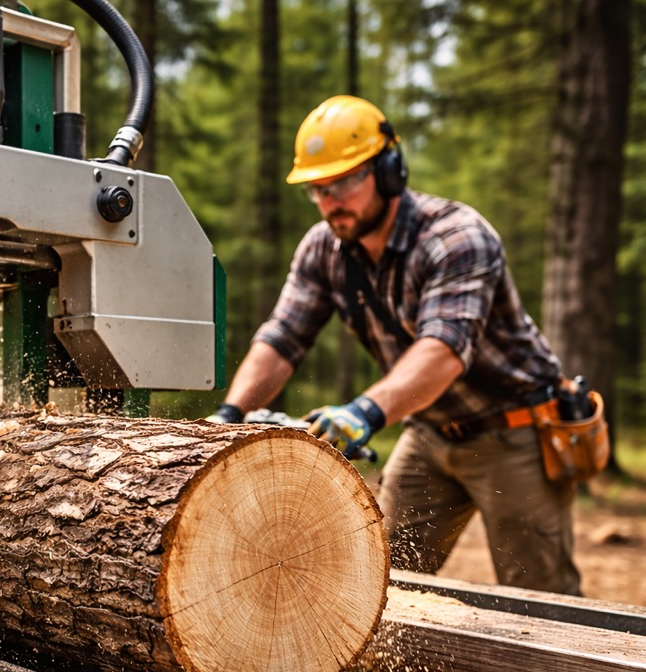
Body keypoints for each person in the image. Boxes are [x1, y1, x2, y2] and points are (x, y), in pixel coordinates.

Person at [208, 95, 581, 596]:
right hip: (429, 432)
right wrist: (230, 415)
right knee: (378, 579)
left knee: (542, 597)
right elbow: (283, 336)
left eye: (344, 182)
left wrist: (364, 411)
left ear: (389, 171)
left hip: (513, 431)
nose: (330, 200)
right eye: (317, 189)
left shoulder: (456, 236)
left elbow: (445, 349)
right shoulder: (323, 248)